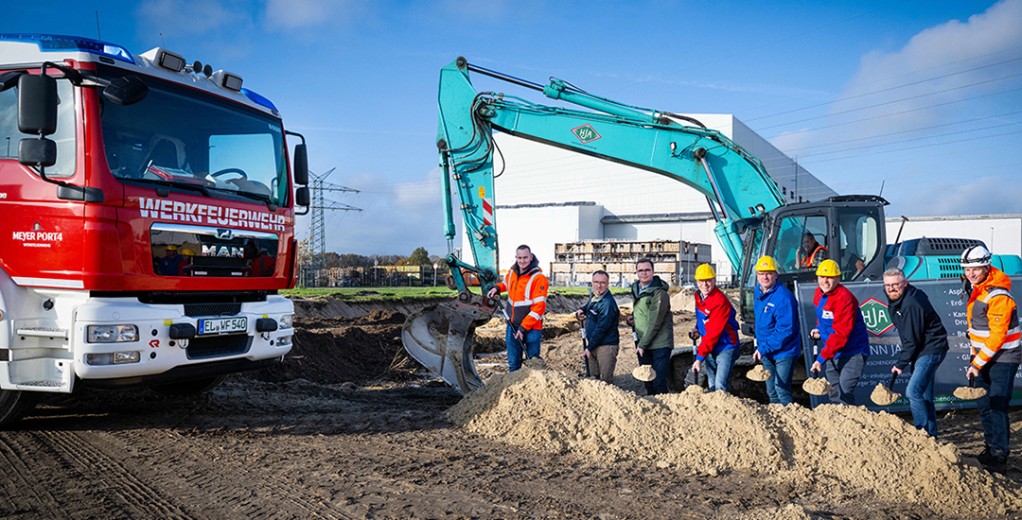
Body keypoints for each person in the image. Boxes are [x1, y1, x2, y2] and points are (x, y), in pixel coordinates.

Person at [960, 245, 1020, 474]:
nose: (970, 274)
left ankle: (999, 454)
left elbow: (997, 336)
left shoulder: (998, 295)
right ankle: (990, 446)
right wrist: (974, 357)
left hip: (1004, 357)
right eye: (967, 269)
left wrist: (977, 363)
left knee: (997, 404)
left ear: (986, 266)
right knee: (984, 404)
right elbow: (977, 331)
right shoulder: (977, 288)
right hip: (983, 357)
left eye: (975, 269)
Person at [883, 267, 949, 437]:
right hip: (921, 349)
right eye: (888, 285)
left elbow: (911, 340)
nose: (891, 288)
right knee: (924, 396)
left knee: (912, 392)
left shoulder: (911, 303)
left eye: (895, 284)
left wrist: (900, 364)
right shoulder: (898, 299)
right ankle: (931, 437)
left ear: (905, 283)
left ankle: (922, 434)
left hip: (931, 348)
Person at [809, 259, 870, 405]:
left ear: (838, 278)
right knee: (834, 393)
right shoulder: (818, 293)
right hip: (833, 352)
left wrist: (821, 359)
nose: (825, 281)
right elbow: (823, 319)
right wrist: (818, 329)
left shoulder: (844, 298)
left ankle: (851, 419)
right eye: (822, 277)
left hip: (853, 352)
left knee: (844, 393)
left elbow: (840, 334)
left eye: (830, 277)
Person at [487, 245, 549, 372]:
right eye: (519, 258)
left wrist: (522, 328)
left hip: (532, 328)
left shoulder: (539, 278)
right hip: (512, 325)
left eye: (525, 257)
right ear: (516, 257)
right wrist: (497, 288)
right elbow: (505, 284)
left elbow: (539, 308)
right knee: (513, 364)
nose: (522, 261)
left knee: (533, 364)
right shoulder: (512, 272)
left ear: (531, 257)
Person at [752, 256, 802, 405]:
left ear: (775, 275)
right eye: (761, 273)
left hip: (784, 351)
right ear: (757, 276)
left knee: (781, 389)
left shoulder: (784, 297)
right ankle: (776, 416)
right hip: (767, 350)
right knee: (771, 391)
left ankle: (789, 416)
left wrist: (763, 348)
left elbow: (785, 330)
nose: (765, 277)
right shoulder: (758, 292)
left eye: (769, 273)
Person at [690, 263, 741, 393]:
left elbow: (713, 334)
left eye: (708, 280)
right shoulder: (699, 296)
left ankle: (725, 406)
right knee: (712, 383)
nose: (705, 284)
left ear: (714, 280)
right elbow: (703, 318)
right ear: (697, 282)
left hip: (726, 346)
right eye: (701, 281)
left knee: (720, 386)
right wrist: (697, 328)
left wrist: (699, 359)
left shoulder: (719, 301)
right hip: (710, 347)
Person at [626, 258, 673, 395]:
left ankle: (663, 404)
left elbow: (655, 322)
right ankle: (651, 404)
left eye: (647, 270)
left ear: (653, 271)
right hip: (643, 342)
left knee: (658, 381)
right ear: (636, 272)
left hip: (660, 344)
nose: (644, 273)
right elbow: (642, 309)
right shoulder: (637, 288)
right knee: (647, 379)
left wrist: (642, 345)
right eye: (640, 270)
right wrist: (633, 317)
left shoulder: (659, 293)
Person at [575, 270, 620, 382]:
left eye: (602, 283)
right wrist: (582, 310)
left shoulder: (607, 304)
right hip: (594, 343)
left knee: (605, 381)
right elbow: (589, 306)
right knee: (592, 378)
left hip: (606, 346)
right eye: (596, 282)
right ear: (592, 282)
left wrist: (589, 348)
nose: (599, 286)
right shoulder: (595, 296)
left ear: (608, 284)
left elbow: (602, 328)